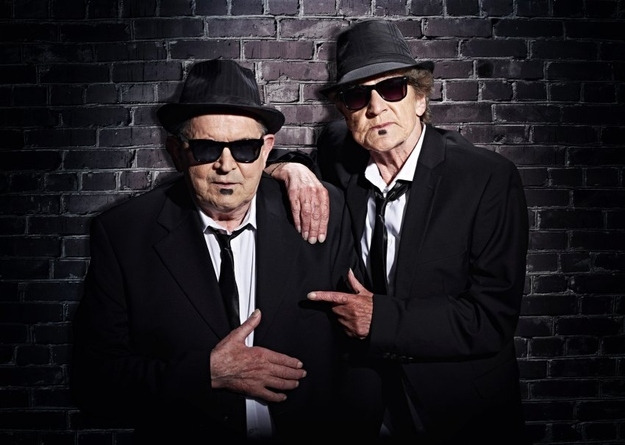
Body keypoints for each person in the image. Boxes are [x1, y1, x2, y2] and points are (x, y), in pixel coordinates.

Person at [270, 19, 531, 444]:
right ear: (345, 112)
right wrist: (290, 168)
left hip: (459, 405)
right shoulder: (339, 151)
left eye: (392, 89)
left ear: (421, 98)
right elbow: (270, 153)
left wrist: (380, 321)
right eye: (358, 97)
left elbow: (491, 318)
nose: (376, 108)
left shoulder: (487, 179)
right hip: (365, 405)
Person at [71, 59, 358, 444]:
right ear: (177, 151)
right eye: (206, 148)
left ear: (266, 150)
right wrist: (206, 373)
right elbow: (93, 383)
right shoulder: (125, 234)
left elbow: (359, 355)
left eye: (244, 148)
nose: (226, 165)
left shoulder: (323, 212)